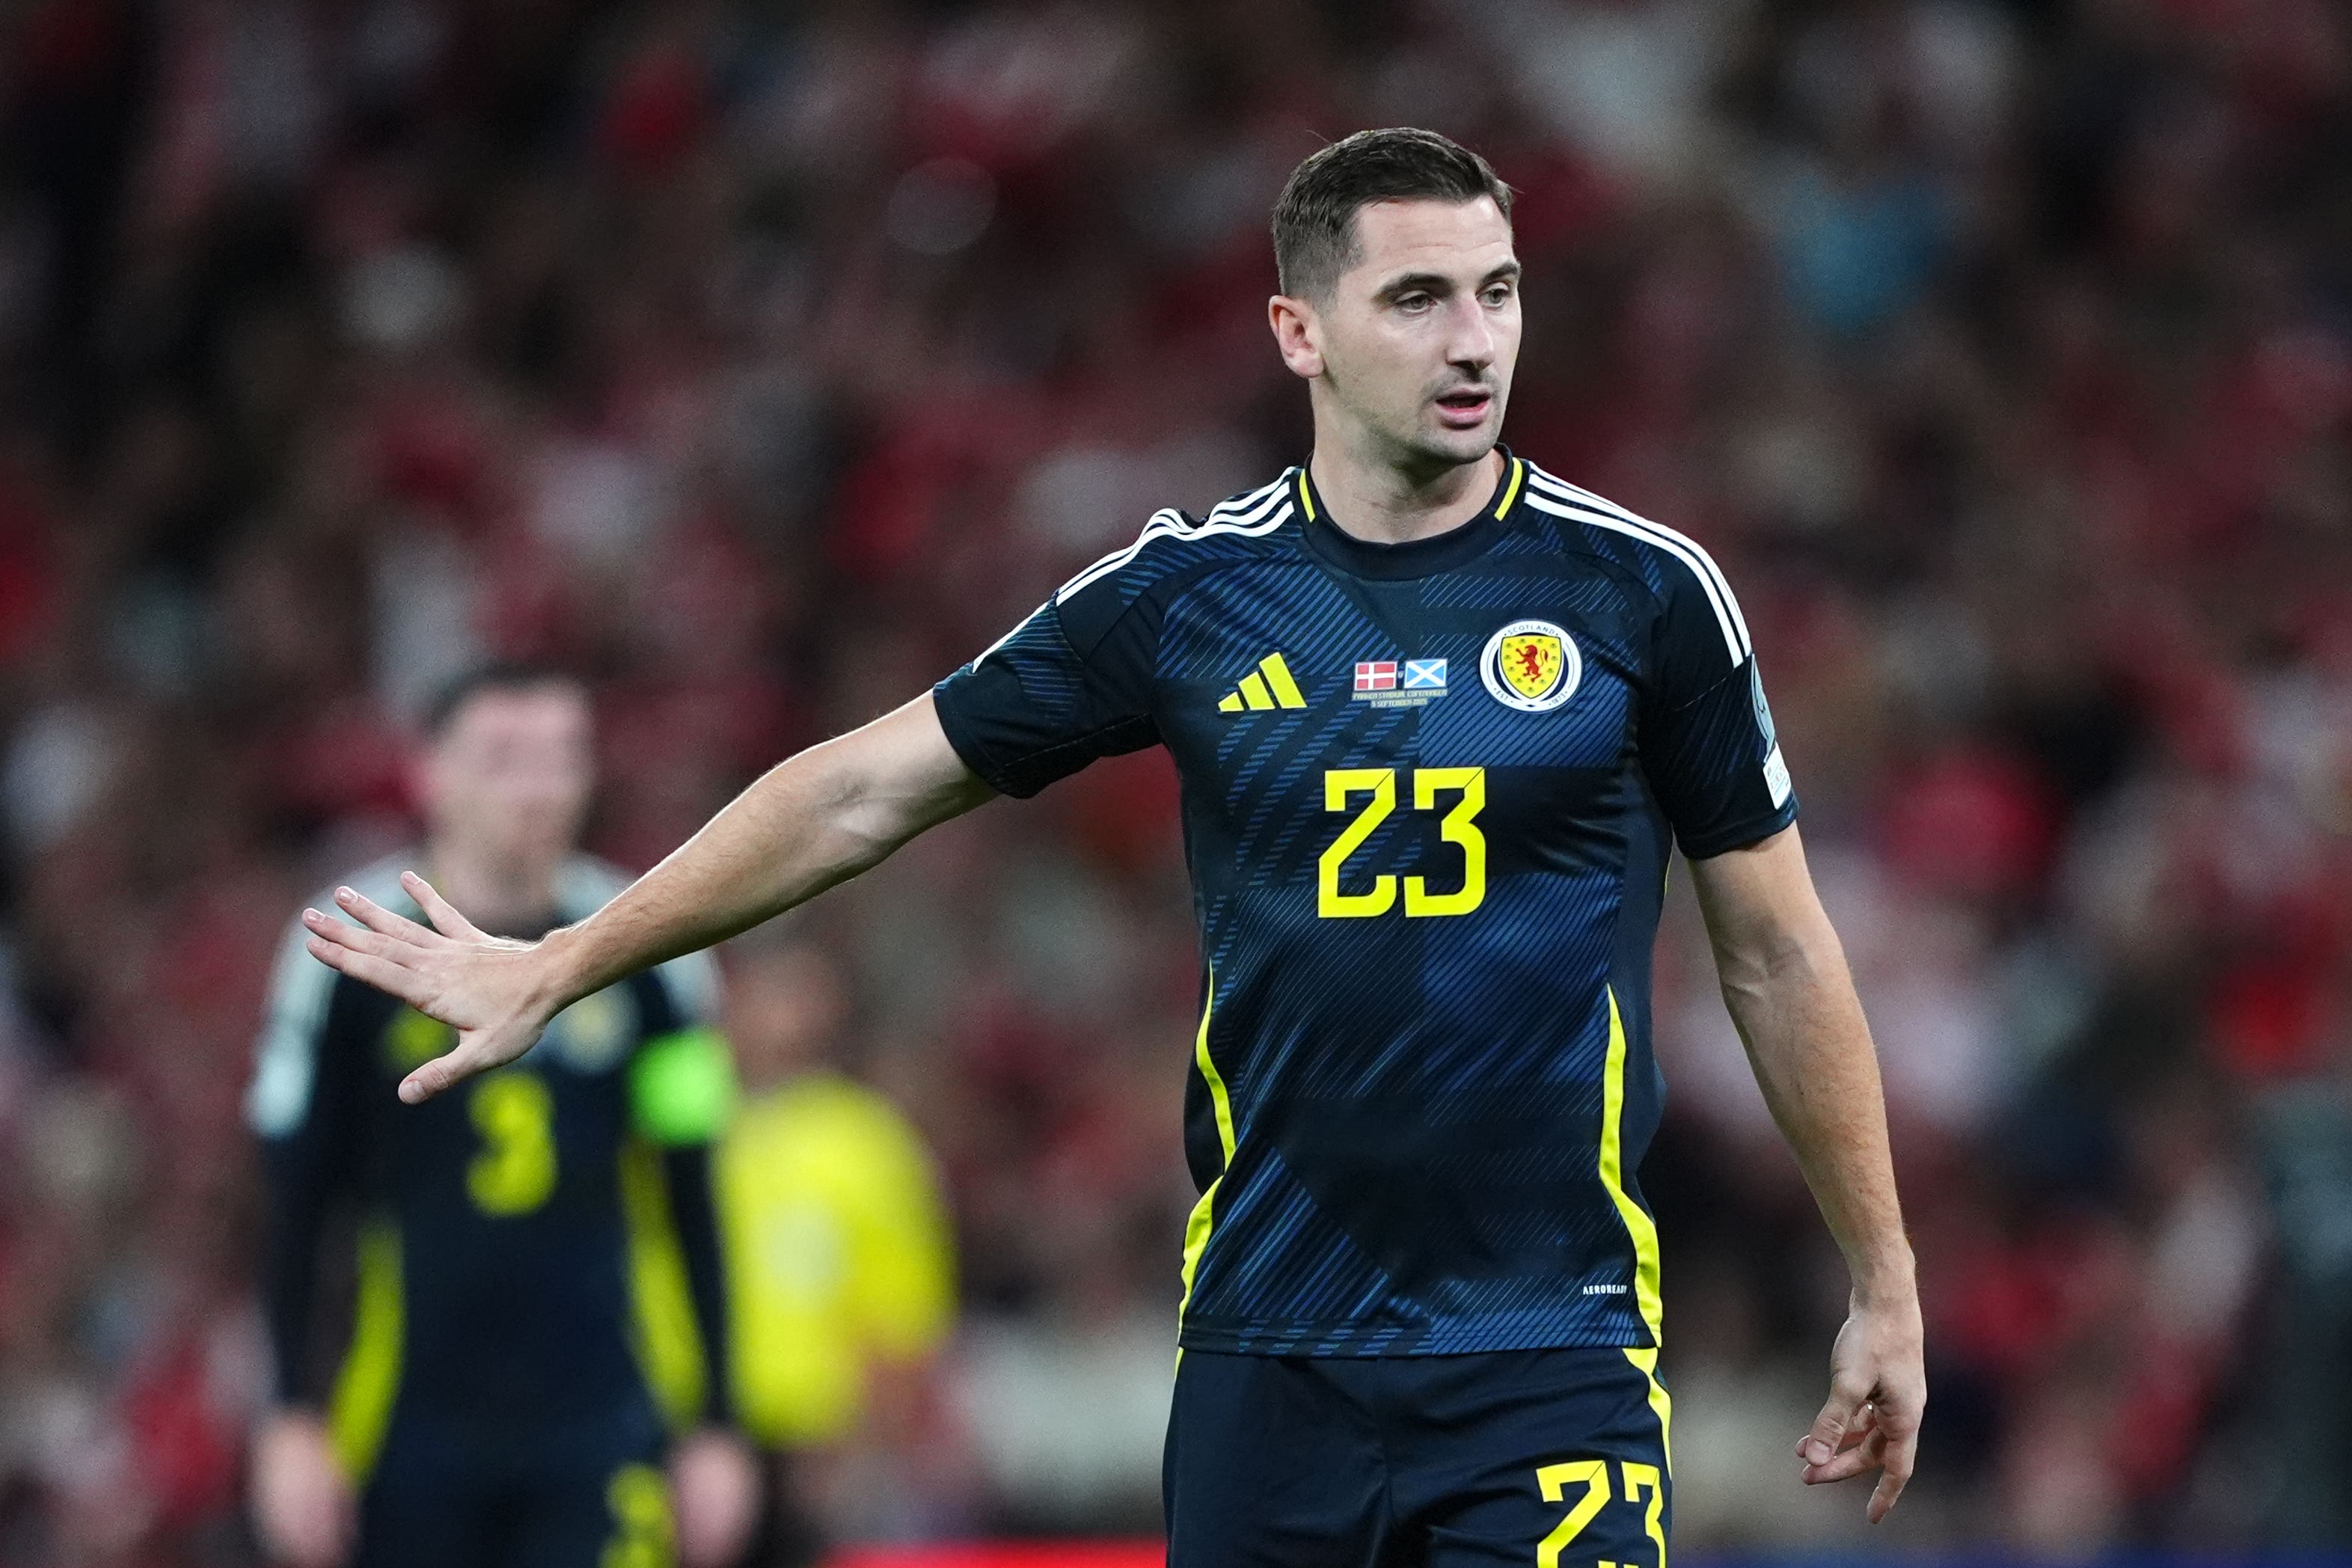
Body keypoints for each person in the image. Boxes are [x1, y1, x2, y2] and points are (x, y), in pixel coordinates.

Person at [300, 129, 1925, 1565]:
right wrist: (572, 959)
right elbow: (865, 788)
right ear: (1299, 330)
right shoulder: (1185, 597)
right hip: (1263, 1348)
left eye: (1498, 292)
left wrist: (1883, 1275)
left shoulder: (1642, 594)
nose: (1475, 340)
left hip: (1548, 1341)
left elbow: (1775, 949)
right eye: (1418, 299)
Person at [245, 664, 759, 1568]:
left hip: (605, 1416)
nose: (538, 788)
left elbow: (693, 1186)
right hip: (404, 1419)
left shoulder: (655, 952)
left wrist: (717, 1421)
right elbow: (295, 1200)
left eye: (563, 757)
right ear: (428, 772)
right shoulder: (347, 947)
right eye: (503, 758)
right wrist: (291, 1414)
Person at [717, 934, 955, 1565]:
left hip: (813, 1442)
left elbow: (901, 1315)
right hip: (693, 1429)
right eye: (772, 992)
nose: (787, 1014)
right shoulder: (688, 1128)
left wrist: (869, 1451)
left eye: (804, 995)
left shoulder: (866, 1142)